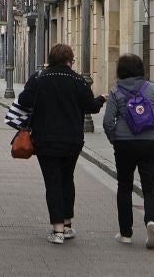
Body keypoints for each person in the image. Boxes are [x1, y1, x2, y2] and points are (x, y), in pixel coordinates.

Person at [12, 43, 105, 245]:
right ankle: (68, 224)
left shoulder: (39, 79)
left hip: (45, 140)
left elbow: (24, 99)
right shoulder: (78, 80)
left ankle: (57, 230)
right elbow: (91, 107)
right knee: (67, 179)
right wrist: (102, 99)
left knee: (52, 182)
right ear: (69, 60)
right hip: (72, 140)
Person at [102, 52, 154, 249]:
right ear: (141, 69)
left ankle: (125, 233)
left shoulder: (115, 92)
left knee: (124, 186)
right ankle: (151, 221)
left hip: (124, 144)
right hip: (149, 144)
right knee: (150, 187)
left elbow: (108, 122)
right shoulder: (153, 90)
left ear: (120, 71)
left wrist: (115, 139)